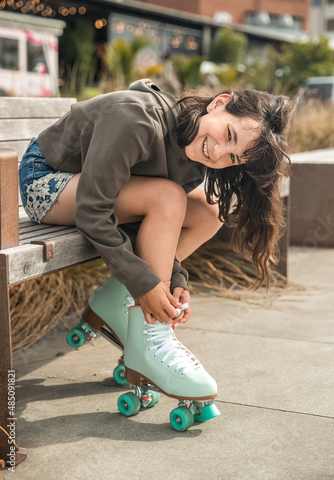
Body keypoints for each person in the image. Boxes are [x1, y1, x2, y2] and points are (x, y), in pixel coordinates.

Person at [19, 79, 293, 404]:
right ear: (219, 103)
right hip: (45, 179)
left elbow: (146, 219)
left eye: (232, 158)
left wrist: (175, 279)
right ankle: (149, 338)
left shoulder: (194, 159)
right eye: (228, 136)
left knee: (207, 211)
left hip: (90, 190)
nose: (218, 154)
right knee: (169, 197)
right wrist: (144, 282)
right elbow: (94, 210)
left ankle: (122, 301)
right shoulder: (136, 119)